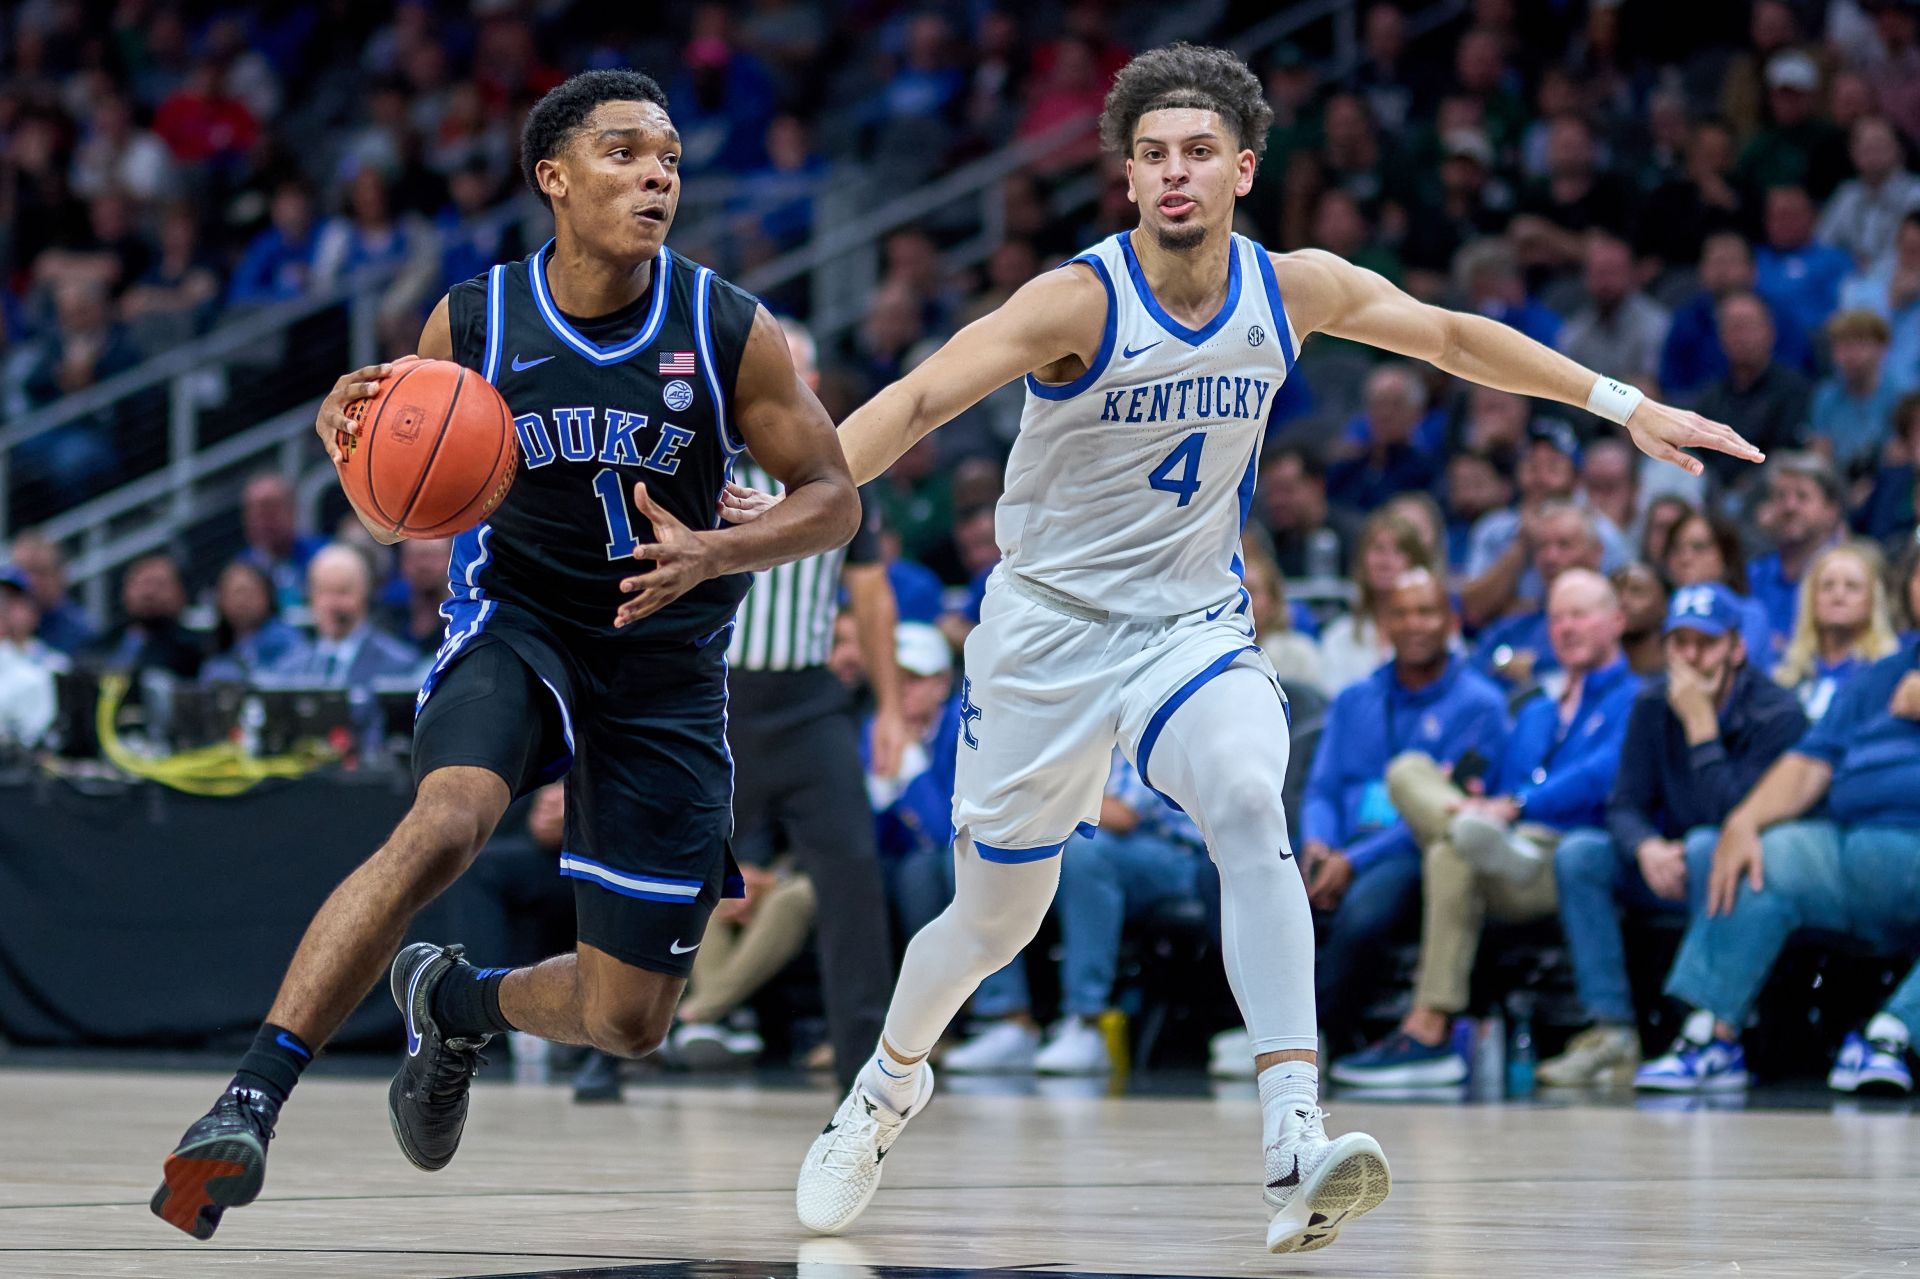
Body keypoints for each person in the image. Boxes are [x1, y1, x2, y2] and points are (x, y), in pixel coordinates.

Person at [785, 44, 1757, 1255]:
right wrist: (795, 503)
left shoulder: (1289, 287)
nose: (1174, 173)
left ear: (1244, 168)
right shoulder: (1074, 301)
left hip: (1191, 623)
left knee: (1250, 796)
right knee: (993, 925)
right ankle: (886, 1086)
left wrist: (1624, 404)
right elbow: (921, 401)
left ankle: (1295, 1134)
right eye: (1151, 156)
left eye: (1197, 152)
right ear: (1128, 178)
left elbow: (1451, 335)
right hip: (1046, 638)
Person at [151, 69, 863, 1242]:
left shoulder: (726, 325)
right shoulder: (476, 319)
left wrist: (725, 549)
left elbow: (833, 499)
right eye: (627, 153)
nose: (657, 177)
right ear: (554, 177)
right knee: (444, 823)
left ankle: (458, 1000)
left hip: (664, 662)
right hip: (519, 621)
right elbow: (395, 495)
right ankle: (249, 1101)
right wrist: (351, 430)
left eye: (671, 160)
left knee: (631, 1019)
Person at [1332, 569, 1641, 1088]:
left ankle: (1428, 1031)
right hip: (1505, 849)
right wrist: (1474, 798)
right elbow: (1500, 781)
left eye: (1581, 614)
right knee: (1412, 775)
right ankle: (1472, 835)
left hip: (1566, 853)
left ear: (1616, 621)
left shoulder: (1636, 698)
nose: (1567, 627)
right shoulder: (1538, 710)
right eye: (1558, 617)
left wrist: (1516, 805)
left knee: (1454, 850)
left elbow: (1602, 775)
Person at [718, 315, 904, 1093]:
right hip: (717, 700)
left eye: (790, 371)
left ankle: (864, 1062)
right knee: (656, 862)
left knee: (852, 871)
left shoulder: (839, 471)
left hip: (807, 701)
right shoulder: (706, 457)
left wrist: (890, 705)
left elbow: (870, 591)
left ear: (815, 386)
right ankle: (605, 1046)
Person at [1538, 583, 1806, 1087]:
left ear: (1736, 648)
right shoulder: (1652, 704)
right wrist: (1645, 847)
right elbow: (1623, 803)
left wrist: (1702, 728)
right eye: (1678, 643)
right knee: (1579, 854)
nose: (1690, 657)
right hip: (1670, 864)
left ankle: (1706, 1029)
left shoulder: (1778, 713)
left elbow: (1737, 815)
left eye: (1704, 643)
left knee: (1712, 844)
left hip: (1747, 873)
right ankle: (1612, 1031)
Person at [1635, 633, 1920, 1095]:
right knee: (1762, 854)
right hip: (1851, 845)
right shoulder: (1880, 676)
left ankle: (1895, 1036)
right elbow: (1812, 761)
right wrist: (1744, 820)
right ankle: (1712, 1036)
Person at [1301, 569, 1509, 1052]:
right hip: (1339, 843)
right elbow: (1322, 788)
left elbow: (1450, 813)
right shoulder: (1355, 699)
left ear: (1450, 621)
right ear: (1382, 626)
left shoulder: (1481, 705)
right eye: (1401, 613)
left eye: (1427, 611)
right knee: (1233, 879)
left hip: (1411, 852)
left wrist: (1352, 862)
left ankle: (1317, 1038)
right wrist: (1318, 844)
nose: (1415, 624)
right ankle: (1252, 1026)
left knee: (1365, 907)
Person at [264, 545, 427, 689]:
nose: (332, 603)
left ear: (364, 593)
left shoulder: (400, 665)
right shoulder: (288, 669)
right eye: (324, 591)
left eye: (343, 592)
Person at [1772, 541, 1899, 721]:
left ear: (1873, 599)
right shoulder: (1786, 676)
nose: (1838, 596)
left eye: (1852, 586)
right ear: (1810, 598)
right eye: (1827, 586)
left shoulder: (1889, 672)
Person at [1317, 510, 1440, 694]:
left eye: (1399, 551)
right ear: (1362, 561)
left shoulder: (1436, 632)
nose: (1385, 561)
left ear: (1416, 563)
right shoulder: (1338, 637)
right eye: (1378, 549)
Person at [1746, 452, 1848, 654]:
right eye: (1780, 496)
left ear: (1831, 510)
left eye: (1802, 496)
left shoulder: (1852, 575)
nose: (1789, 507)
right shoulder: (1752, 574)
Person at [1662, 507, 1777, 662]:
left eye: (1699, 547)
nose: (1685, 558)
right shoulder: (1661, 610)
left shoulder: (1748, 614)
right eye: (1676, 548)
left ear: (1725, 555)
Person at [88, 554, 204, 681]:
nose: (148, 593)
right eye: (140, 583)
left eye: (159, 585)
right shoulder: (101, 643)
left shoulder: (192, 651)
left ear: (182, 594)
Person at [236, 472, 328, 613]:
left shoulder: (325, 556)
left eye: (269, 508)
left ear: (291, 510)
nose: (260, 520)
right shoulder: (242, 568)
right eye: (252, 510)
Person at [199, 561, 302, 682]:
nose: (241, 601)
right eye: (234, 594)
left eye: (247, 592)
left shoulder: (287, 640)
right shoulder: (216, 647)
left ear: (267, 596)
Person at [5, 533, 98, 655]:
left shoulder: (79, 630)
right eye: (22, 571)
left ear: (60, 575)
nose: (31, 581)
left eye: (40, 572)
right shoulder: (4, 622)